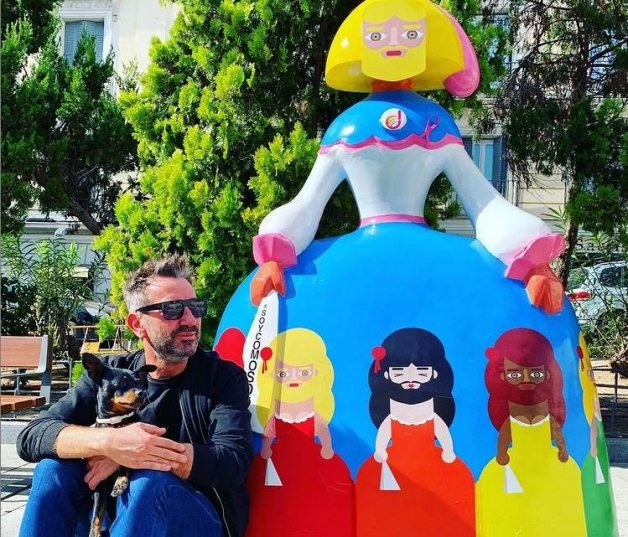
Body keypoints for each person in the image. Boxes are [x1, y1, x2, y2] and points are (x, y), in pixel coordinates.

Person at [17, 254, 253, 537]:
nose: (190, 319)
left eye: (195, 307)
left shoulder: (223, 377)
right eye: (172, 309)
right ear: (136, 324)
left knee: (147, 483)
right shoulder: (110, 375)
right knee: (51, 470)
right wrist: (110, 443)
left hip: (196, 517)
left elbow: (233, 460)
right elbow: (32, 435)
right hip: (116, 513)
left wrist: (134, 455)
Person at [355, 328, 475, 537]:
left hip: (432, 464)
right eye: (400, 372)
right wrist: (380, 450)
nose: (410, 378)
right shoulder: (392, 416)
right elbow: (385, 431)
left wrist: (448, 451)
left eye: (421, 371)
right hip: (394, 463)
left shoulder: (432, 413)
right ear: (387, 374)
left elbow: (441, 430)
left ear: (435, 373)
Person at [476, 327, 587, 537]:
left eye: (535, 373)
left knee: (559, 498)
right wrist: (502, 455)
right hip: (516, 464)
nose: (526, 379)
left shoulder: (547, 418)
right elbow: (504, 439)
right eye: (515, 374)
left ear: (547, 373)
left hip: (548, 462)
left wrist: (562, 451)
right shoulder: (511, 421)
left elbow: (557, 434)